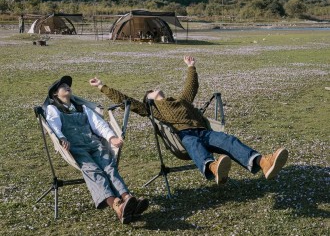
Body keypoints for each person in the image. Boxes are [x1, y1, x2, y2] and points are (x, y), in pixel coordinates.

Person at [89, 56, 288, 185]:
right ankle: (212, 167)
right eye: (150, 91)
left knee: (229, 141)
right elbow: (127, 101)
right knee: (193, 144)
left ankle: (264, 163)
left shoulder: (181, 100)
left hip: (204, 130)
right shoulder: (152, 108)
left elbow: (191, 87)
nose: (154, 89)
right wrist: (101, 86)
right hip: (182, 136)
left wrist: (191, 67)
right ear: (147, 99)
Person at [46, 75, 149, 224]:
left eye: (68, 85)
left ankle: (127, 198)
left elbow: (98, 124)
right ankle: (117, 206)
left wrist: (111, 137)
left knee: (109, 167)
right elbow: (53, 125)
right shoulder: (53, 108)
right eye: (63, 86)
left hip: (94, 144)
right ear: (55, 93)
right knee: (94, 172)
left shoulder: (82, 107)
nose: (67, 87)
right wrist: (62, 138)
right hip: (75, 148)